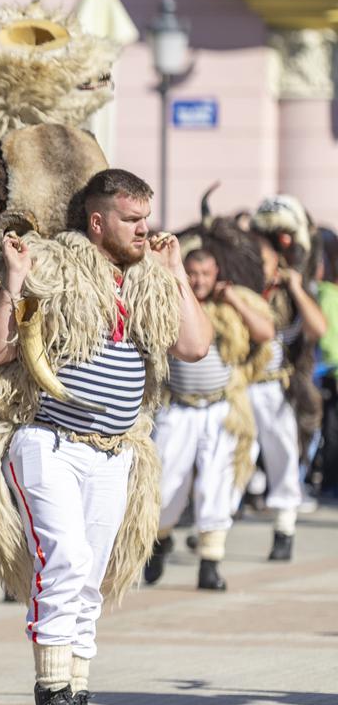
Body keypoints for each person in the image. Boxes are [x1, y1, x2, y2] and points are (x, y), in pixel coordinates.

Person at [0, 168, 210, 705]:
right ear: (98, 222)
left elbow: (193, 346)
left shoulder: (148, 276)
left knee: (92, 574)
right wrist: (14, 280)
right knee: (65, 558)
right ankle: (50, 696)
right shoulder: (52, 266)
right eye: (132, 219)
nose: (145, 229)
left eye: (147, 217)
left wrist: (176, 277)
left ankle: (78, 692)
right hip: (50, 444)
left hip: (116, 452)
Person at [148, 242, 275, 591]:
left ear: (216, 273)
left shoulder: (231, 307)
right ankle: (158, 542)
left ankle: (210, 563)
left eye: (205, 273)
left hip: (222, 409)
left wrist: (232, 299)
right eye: (193, 272)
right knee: (166, 484)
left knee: (218, 484)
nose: (199, 279)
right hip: (178, 408)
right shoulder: (168, 303)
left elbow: (265, 333)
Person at [247, 219, 328, 561]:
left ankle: (284, 528)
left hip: (276, 388)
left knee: (282, 457)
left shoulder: (289, 294)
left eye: (263, 260)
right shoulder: (241, 291)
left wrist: (295, 288)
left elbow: (318, 328)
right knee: (230, 459)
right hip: (240, 387)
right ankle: (212, 528)